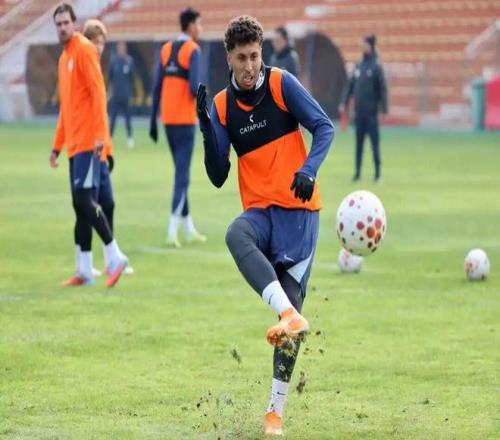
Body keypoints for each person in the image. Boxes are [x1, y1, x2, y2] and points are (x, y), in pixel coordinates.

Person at [196, 15, 334, 436]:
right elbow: (218, 174)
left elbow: (324, 127)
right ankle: (288, 313)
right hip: (260, 214)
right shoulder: (222, 106)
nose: (250, 65)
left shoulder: (280, 84)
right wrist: (206, 128)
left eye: (255, 56)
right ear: (229, 58)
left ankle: (275, 412)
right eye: (242, 58)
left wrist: (308, 169)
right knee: (235, 233)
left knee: (291, 330)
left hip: (299, 214)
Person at [49, 3, 128, 287]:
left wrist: (99, 136)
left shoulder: (84, 50)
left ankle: (114, 256)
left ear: (74, 24)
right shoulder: (64, 59)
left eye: (66, 23)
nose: (62, 28)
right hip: (74, 145)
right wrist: (57, 146)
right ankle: (84, 270)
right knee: (79, 205)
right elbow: (66, 108)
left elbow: (98, 93)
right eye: (58, 24)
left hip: (88, 144)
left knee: (85, 200)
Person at [149, 7, 206, 248]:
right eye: (199, 24)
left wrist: (152, 120)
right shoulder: (193, 50)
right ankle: (172, 230)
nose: (200, 28)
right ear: (191, 26)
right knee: (182, 177)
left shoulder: (165, 49)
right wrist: (204, 102)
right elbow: (193, 87)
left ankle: (188, 228)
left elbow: (156, 86)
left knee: (180, 173)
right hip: (184, 121)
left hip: (167, 121)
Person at [83, 19, 134, 276]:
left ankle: (109, 260)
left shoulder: (97, 67)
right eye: (95, 41)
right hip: (87, 150)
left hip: (101, 151)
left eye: (102, 42)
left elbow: (100, 116)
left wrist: (109, 150)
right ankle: (86, 263)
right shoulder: (86, 68)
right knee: (87, 205)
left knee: (108, 203)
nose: (99, 46)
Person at [340, 34, 388, 182]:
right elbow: (350, 86)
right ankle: (357, 173)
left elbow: (382, 89)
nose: (362, 47)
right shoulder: (359, 65)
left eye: (365, 44)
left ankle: (378, 174)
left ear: (371, 46)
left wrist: (383, 109)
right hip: (359, 113)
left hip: (371, 114)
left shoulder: (376, 66)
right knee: (359, 145)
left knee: (374, 145)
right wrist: (344, 102)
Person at [108, 41, 136, 148]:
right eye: (119, 48)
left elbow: (132, 78)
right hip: (115, 95)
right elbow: (110, 77)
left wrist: (130, 92)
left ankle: (130, 138)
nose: (121, 50)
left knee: (128, 118)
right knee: (113, 118)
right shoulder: (113, 61)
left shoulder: (129, 61)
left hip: (126, 95)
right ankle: (109, 138)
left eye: (122, 48)